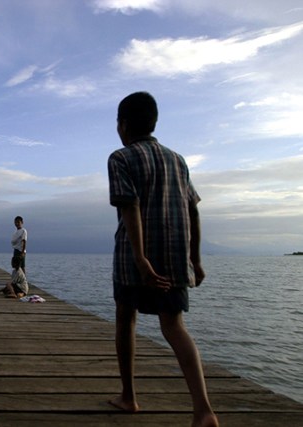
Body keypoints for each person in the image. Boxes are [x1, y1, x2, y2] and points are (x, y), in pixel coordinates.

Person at [107, 91, 218, 427]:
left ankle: (129, 398)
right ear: (153, 122)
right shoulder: (177, 160)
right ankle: (203, 410)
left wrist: (140, 258)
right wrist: (195, 260)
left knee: (126, 319)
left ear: (123, 125)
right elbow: (193, 210)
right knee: (174, 326)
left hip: (132, 260)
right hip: (174, 257)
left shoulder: (120, 158)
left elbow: (130, 206)